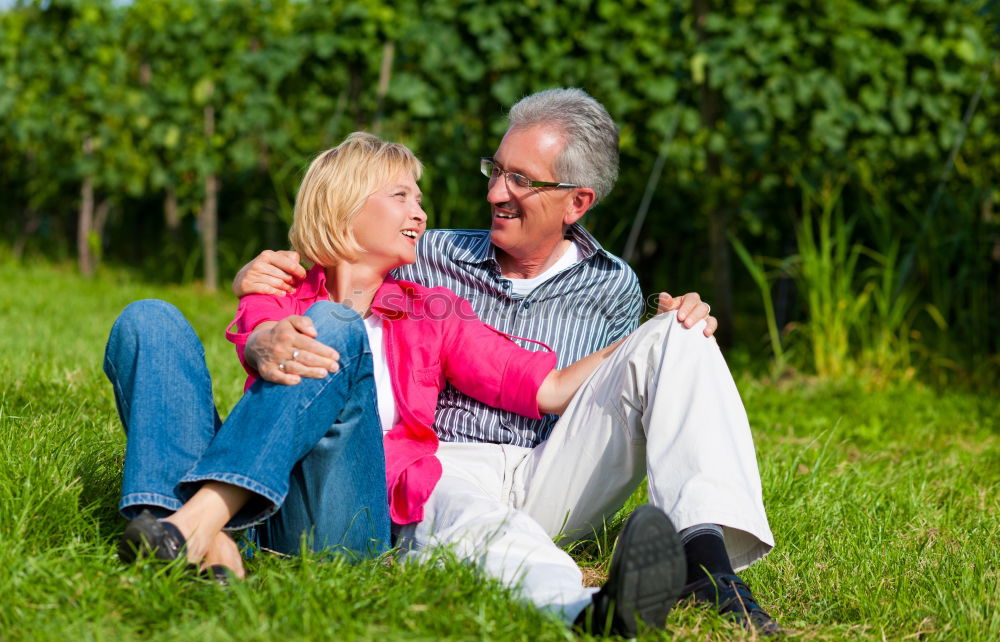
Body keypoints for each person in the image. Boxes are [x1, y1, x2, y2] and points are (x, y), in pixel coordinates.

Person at [235, 89, 779, 634]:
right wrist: (254, 286)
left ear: (576, 203)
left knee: (684, 333)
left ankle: (707, 562)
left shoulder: (613, 285)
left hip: (555, 468)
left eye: (521, 179)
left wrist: (661, 331)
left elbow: (554, 386)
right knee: (473, 514)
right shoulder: (428, 253)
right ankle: (588, 608)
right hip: (442, 463)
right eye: (496, 171)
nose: (496, 191)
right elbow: (342, 255)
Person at [105, 132, 688, 636]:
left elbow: (547, 387)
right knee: (146, 319)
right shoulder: (278, 286)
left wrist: (650, 336)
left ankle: (193, 525)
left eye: (420, 199)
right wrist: (260, 342)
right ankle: (197, 544)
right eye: (401, 195)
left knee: (334, 329)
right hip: (265, 494)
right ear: (344, 207)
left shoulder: (433, 311)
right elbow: (260, 336)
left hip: (343, 512)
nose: (421, 214)